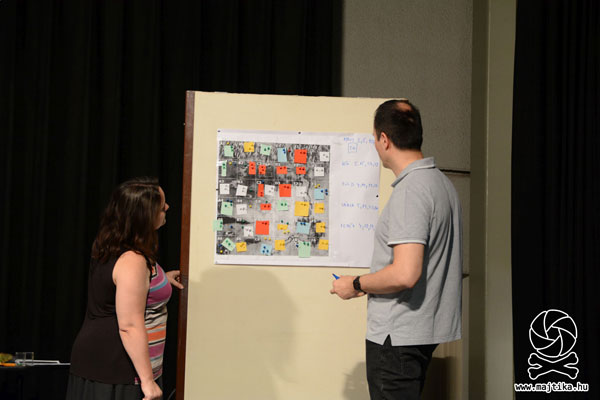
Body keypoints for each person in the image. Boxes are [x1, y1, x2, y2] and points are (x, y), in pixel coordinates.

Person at [330, 99, 462, 399]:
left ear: (384, 139)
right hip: (420, 334)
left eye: (374, 139)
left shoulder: (411, 191)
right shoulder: (441, 183)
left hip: (397, 338)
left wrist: (355, 283)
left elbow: (405, 273)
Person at [66, 177, 184, 400]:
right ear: (144, 215)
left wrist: (161, 281)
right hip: (117, 367)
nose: (168, 207)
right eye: (161, 206)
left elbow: (118, 288)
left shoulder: (113, 244)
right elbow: (129, 325)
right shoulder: (132, 260)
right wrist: (148, 382)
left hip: (108, 363)